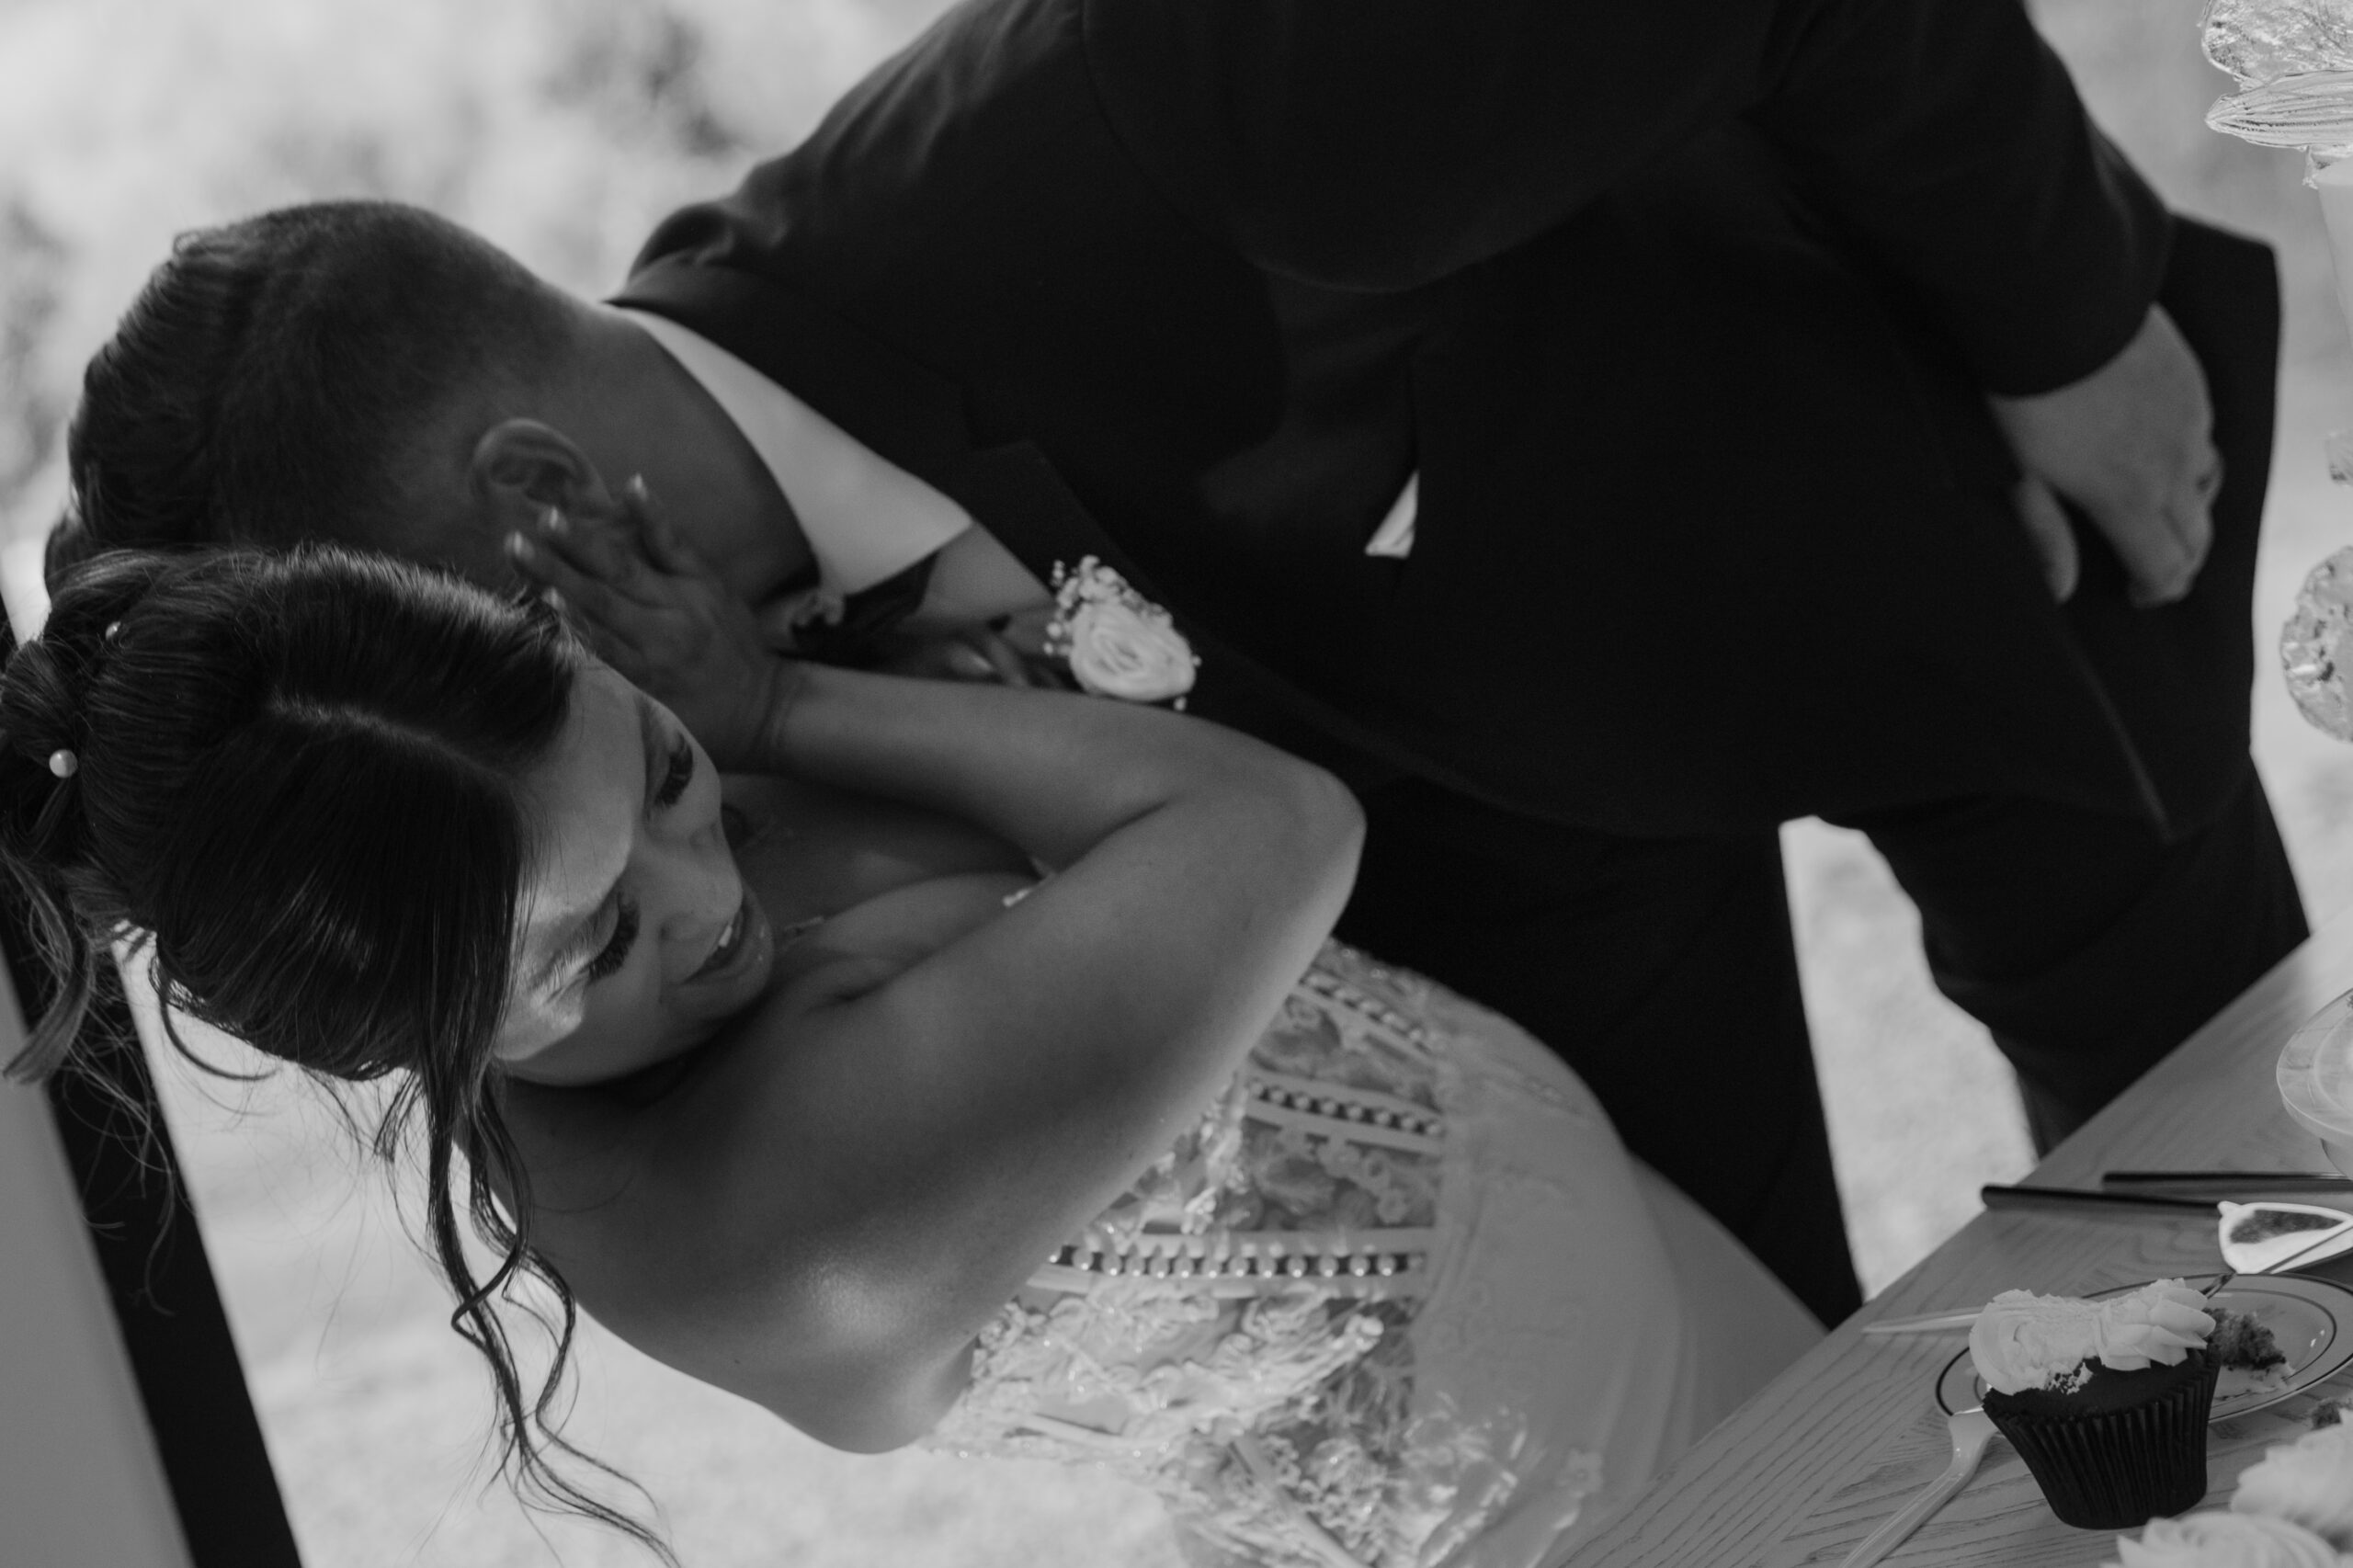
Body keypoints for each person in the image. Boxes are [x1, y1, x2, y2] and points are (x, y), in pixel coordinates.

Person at [49, 0, 2310, 1326]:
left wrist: (2063, 338)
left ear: (536, 494)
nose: (480, 749)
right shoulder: (669, 799)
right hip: (1528, 892)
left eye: (446, 653)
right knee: (1775, 1393)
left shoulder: (1132, 128)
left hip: (1924, 471)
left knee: (2248, 1231)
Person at [0, 542, 1818, 1567]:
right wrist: (772, 707)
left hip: (1664, 1304)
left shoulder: (511, 836)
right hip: (1587, 1520)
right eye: (599, 941)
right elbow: (1269, 830)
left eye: (655, 768)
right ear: (408, 1037)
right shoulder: (786, 1236)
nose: (706, 890)